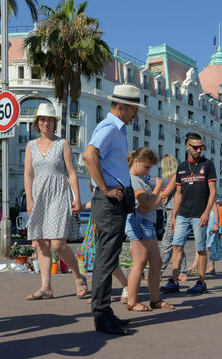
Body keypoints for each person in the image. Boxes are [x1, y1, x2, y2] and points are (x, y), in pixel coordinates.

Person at [82, 84, 142, 336]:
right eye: (133, 110)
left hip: (114, 201)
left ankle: (105, 312)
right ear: (121, 107)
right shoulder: (109, 128)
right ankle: (101, 315)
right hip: (109, 202)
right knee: (106, 260)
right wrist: (104, 188)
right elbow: (89, 155)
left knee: (108, 258)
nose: (135, 115)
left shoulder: (116, 129)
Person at [24, 103, 88, 300]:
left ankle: (79, 276)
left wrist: (77, 197)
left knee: (58, 244)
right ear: (37, 123)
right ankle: (46, 287)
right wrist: (29, 199)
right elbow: (28, 174)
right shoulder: (31, 146)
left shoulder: (63, 144)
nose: (46, 123)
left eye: (50, 120)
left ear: (55, 123)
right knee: (42, 242)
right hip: (39, 195)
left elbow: (71, 173)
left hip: (59, 194)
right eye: (43, 119)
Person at [159, 132, 217, 295]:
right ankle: (174, 281)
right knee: (177, 246)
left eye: (201, 147)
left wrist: (207, 212)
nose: (199, 150)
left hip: (200, 214)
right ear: (187, 146)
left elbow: (213, 191)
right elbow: (178, 194)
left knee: (200, 248)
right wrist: (174, 216)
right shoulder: (182, 167)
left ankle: (201, 281)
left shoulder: (208, 165)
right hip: (183, 214)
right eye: (195, 147)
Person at [123, 148, 174, 311]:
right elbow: (147, 203)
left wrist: (152, 199)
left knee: (156, 262)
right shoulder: (134, 179)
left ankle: (155, 300)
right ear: (136, 162)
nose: (148, 170)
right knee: (140, 262)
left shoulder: (141, 179)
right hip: (139, 222)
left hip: (146, 222)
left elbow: (154, 203)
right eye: (146, 167)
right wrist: (157, 189)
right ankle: (132, 301)